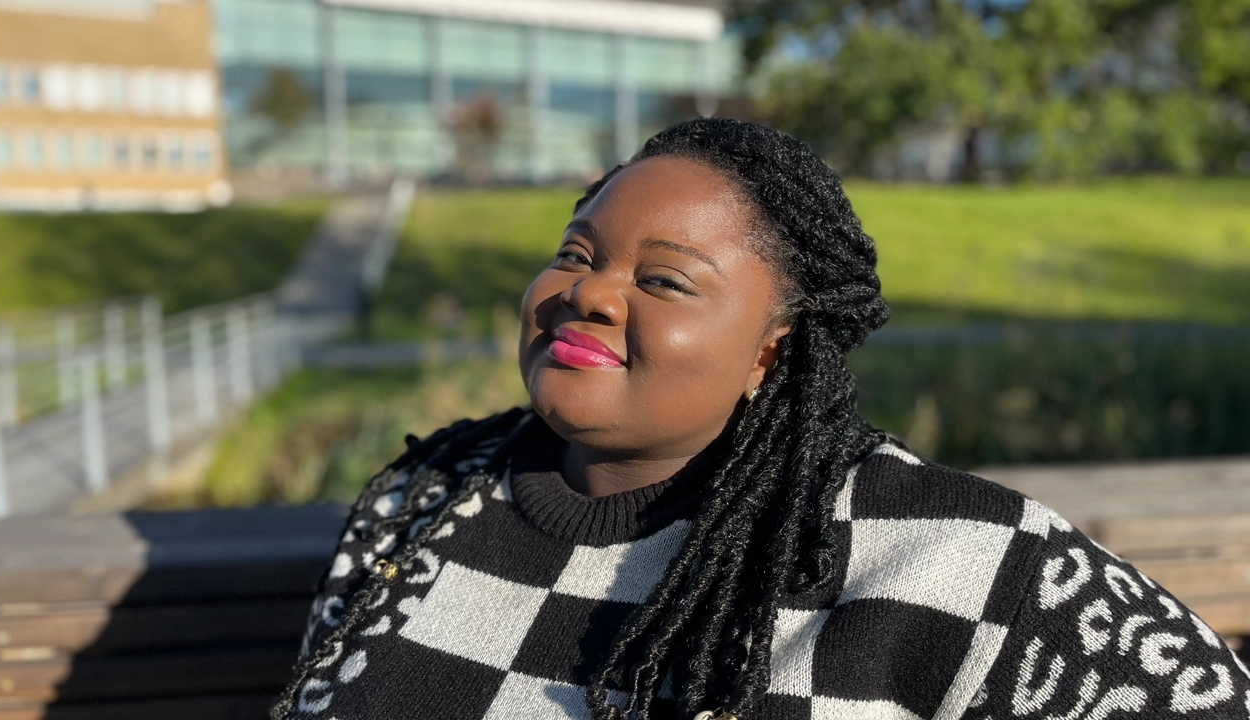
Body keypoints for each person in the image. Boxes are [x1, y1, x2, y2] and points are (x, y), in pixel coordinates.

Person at [273, 118, 1249, 720]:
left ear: (770, 353)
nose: (589, 295)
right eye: (576, 254)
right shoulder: (416, 501)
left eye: (661, 280)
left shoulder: (943, 556)